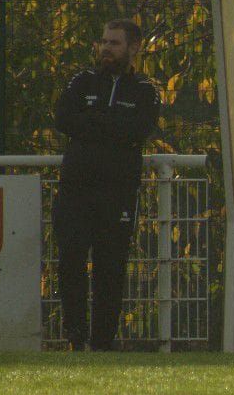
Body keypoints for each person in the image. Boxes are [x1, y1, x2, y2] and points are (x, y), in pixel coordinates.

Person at [54, 19, 160, 351]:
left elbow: (138, 129)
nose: (106, 49)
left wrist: (94, 122)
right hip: (75, 190)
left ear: (133, 47)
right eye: (103, 42)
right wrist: (108, 125)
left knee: (110, 268)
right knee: (70, 259)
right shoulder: (81, 81)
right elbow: (62, 118)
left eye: (114, 43)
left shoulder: (145, 89)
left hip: (117, 193)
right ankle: (75, 336)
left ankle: (102, 342)